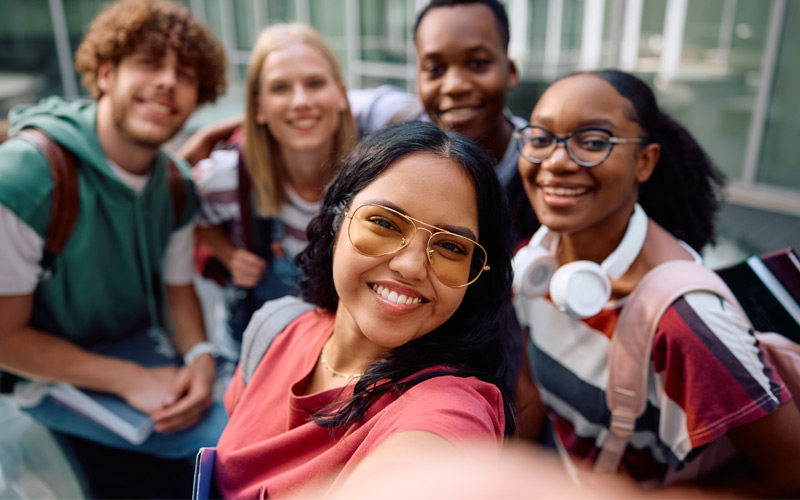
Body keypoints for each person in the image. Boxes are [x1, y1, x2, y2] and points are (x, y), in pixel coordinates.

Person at [512, 69, 800, 496]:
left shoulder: (687, 320)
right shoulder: (534, 266)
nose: (556, 162)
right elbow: (530, 389)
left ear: (644, 161)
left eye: (593, 142)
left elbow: (788, 473)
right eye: (540, 139)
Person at [212, 120, 519, 498]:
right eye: (384, 223)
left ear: (476, 274)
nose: (410, 266)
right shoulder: (276, 328)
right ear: (337, 220)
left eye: (452, 247)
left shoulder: (452, 406)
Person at [0, 0, 227, 496]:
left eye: (186, 74)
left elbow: (178, 286)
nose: (168, 81)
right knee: (223, 444)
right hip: (43, 373)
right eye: (149, 62)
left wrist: (202, 354)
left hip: (138, 349)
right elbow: (4, 337)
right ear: (106, 74)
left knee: (247, 410)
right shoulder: (25, 175)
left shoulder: (174, 183)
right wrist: (126, 379)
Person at [189, 23, 356, 344]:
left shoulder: (377, 177)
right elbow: (183, 208)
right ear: (258, 108)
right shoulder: (229, 177)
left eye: (315, 83)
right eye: (280, 88)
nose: (300, 101)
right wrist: (228, 255)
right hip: (258, 349)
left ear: (341, 95)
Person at [350, 0, 538, 245]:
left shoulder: (540, 164)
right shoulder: (398, 127)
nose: (454, 86)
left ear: (510, 71)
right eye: (435, 69)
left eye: (478, 64)